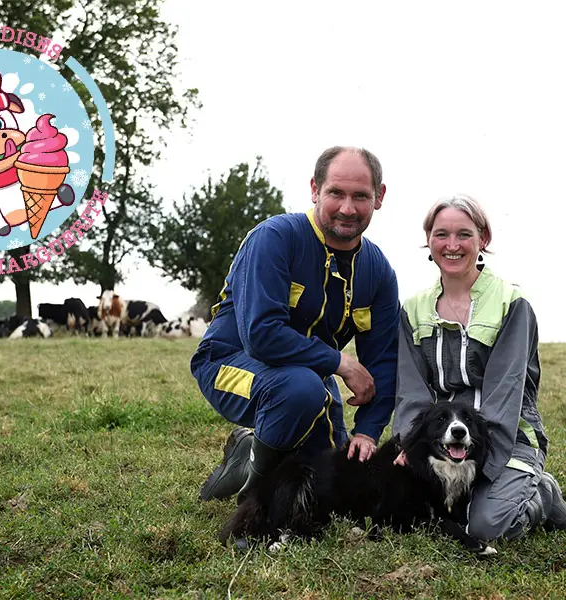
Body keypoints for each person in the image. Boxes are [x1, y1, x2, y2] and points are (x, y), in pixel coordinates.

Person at [191, 146, 400, 503]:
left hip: (310, 382)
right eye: (336, 192)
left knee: (334, 484)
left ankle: (249, 451)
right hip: (227, 364)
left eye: (361, 196)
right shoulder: (275, 237)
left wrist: (367, 430)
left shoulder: (378, 270)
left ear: (379, 197)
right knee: (299, 389)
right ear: (315, 189)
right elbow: (261, 336)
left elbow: (384, 359)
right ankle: (256, 500)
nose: (348, 208)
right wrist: (341, 362)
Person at [392, 195, 566, 539]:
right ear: (428, 239)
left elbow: (505, 394)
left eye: (464, 235)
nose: (452, 245)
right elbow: (410, 390)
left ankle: (542, 495)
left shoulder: (511, 303)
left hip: (505, 438)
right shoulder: (413, 308)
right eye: (441, 234)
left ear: (483, 239)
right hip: (446, 441)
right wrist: (409, 447)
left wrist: (479, 468)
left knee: (486, 526)